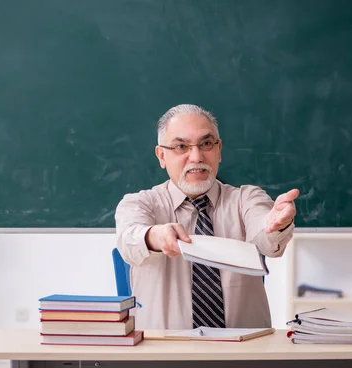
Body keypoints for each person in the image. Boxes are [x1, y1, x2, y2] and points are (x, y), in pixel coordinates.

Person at [115, 104, 299, 330]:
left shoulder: (246, 199)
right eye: (181, 146)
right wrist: (156, 236)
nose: (196, 156)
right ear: (161, 156)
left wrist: (275, 225)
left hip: (244, 354)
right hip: (163, 355)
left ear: (219, 150)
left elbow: (267, 240)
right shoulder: (140, 203)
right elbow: (129, 239)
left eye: (206, 144)